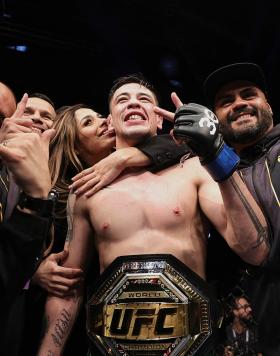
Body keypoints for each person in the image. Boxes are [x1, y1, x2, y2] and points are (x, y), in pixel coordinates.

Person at [38, 74, 269, 356]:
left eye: (144, 99)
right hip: (111, 345)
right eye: (122, 100)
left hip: (192, 345)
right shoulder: (87, 189)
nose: (133, 103)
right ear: (110, 122)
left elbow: (254, 250)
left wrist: (216, 154)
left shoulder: (194, 169)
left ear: (159, 119)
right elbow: (68, 287)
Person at [202, 62, 280, 356]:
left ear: (268, 106)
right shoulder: (217, 176)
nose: (239, 104)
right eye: (226, 101)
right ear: (216, 119)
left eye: (249, 94)